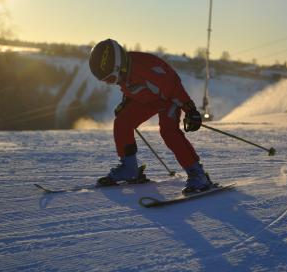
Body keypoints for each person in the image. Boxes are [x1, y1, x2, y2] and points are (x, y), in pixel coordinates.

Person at [88, 39, 211, 194]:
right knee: (122, 123)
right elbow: (132, 88)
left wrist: (190, 110)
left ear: (119, 65)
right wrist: (125, 104)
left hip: (168, 100)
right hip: (148, 100)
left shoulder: (146, 68)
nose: (111, 83)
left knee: (168, 132)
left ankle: (198, 175)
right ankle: (129, 169)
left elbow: (174, 88)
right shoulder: (124, 71)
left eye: (111, 79)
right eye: (106, 81)